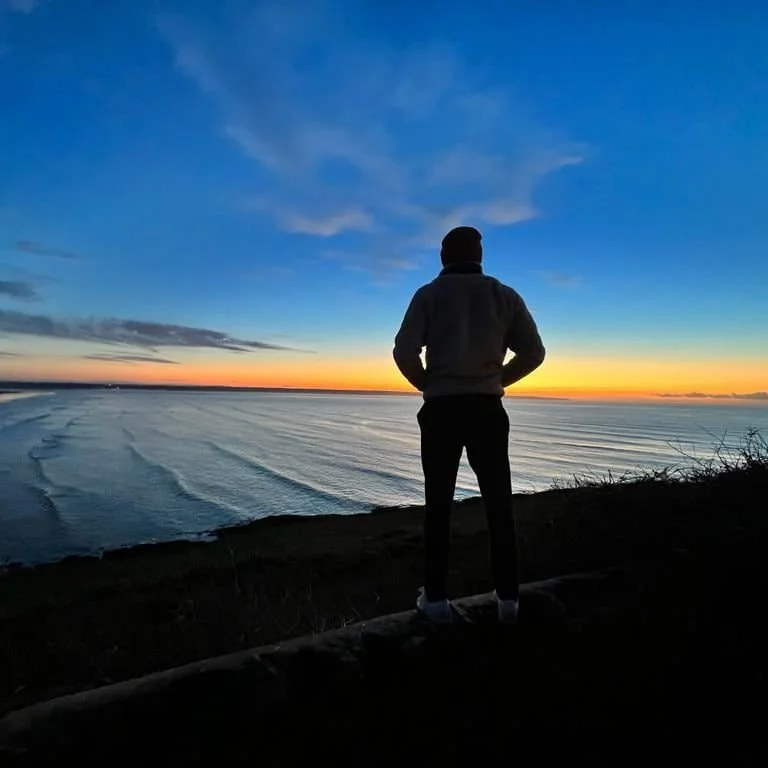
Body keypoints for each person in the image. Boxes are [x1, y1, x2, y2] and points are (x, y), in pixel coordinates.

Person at [393, 226, 546, 625]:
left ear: (443, 255)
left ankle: (437, 601)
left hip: (441, 409)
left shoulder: (428, 295)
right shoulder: (503, 295)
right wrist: (497, 381)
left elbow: (404, 351)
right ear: (480, 255)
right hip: (487, 410)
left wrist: (427, 382)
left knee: (438, 506)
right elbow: (534, 352)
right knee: (499, 504)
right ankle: (509, 602)